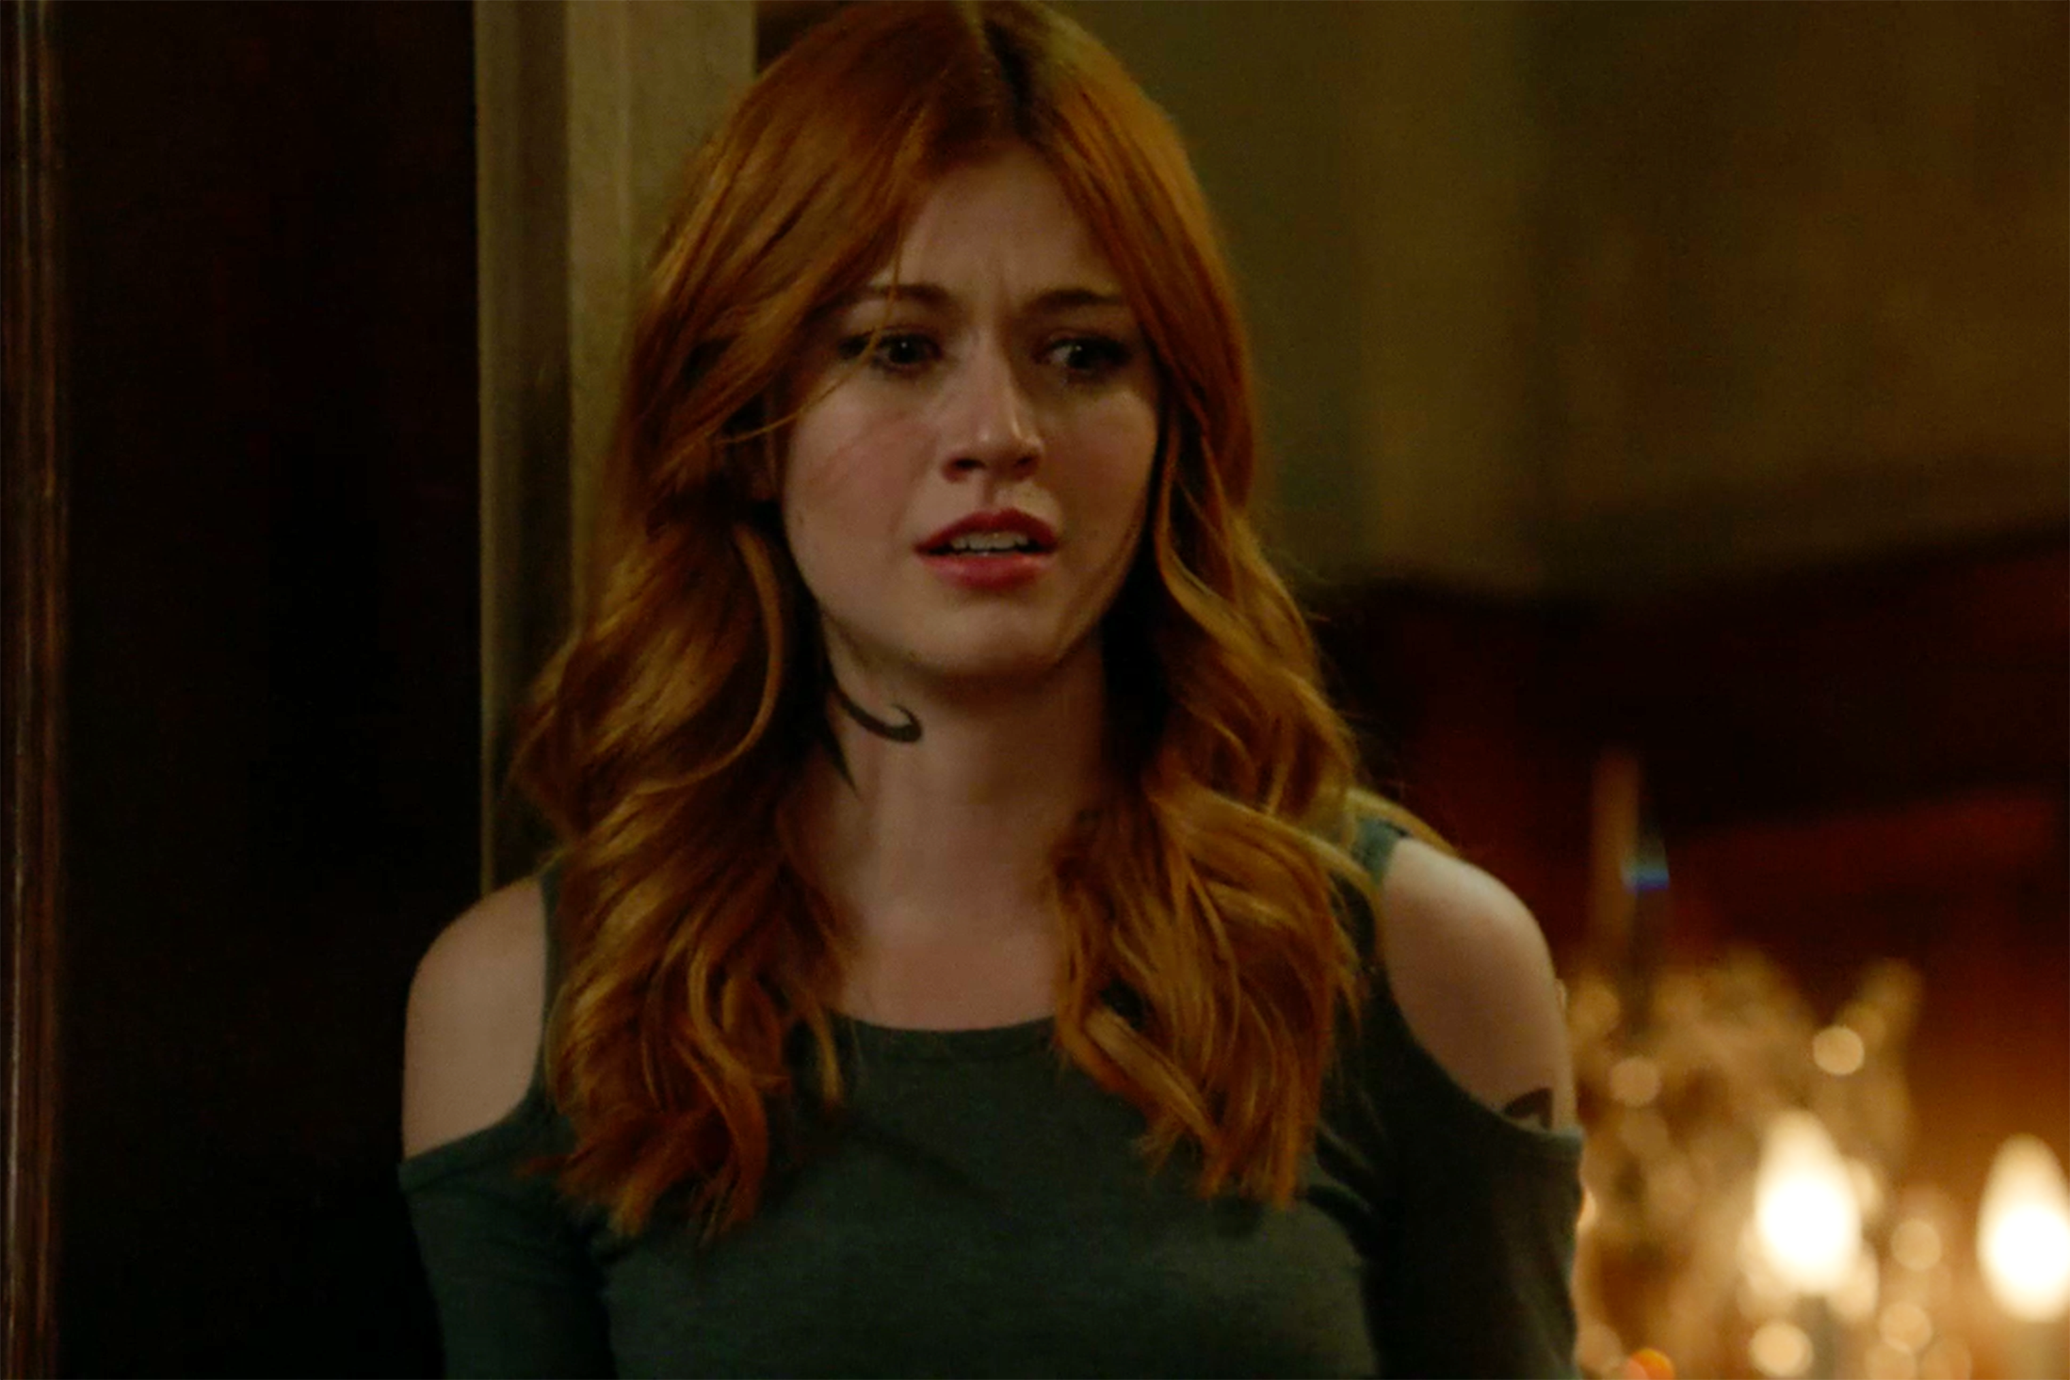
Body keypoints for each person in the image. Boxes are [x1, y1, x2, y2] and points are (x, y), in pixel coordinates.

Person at [399, 1, 1582, 1375]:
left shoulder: (1419, 967)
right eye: (898, 349)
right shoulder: (538, 1006)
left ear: (1176, 427)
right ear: (746, 425)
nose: (999, 434)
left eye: (1082, 355)